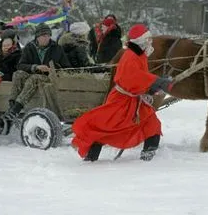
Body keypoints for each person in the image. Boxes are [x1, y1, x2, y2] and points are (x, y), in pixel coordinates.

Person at [71, 24, 174, 162]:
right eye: (148, 39)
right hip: (121, 101)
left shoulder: (139, 55)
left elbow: (140, 79)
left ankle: (148, 156)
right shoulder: (131, 56)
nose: (150, 42)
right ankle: (91, 158)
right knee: (105, 128)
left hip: (133, 99)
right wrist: (157, 82)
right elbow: (133, 78)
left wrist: (155, 85)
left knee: (151, 123)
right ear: (140, 41)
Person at [1, 23, 70, 122]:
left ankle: (17, 108)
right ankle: (11, 106)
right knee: (18, 74)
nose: (46, 38)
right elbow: (20, 65)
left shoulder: (57, 48)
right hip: (33, 73)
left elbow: (66, 66)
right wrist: (35, 67)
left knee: (34, 78)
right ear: (37, 37)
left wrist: (53, 70)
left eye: (48, 36)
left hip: (48, 77)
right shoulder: (30, 47)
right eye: (43, 36)